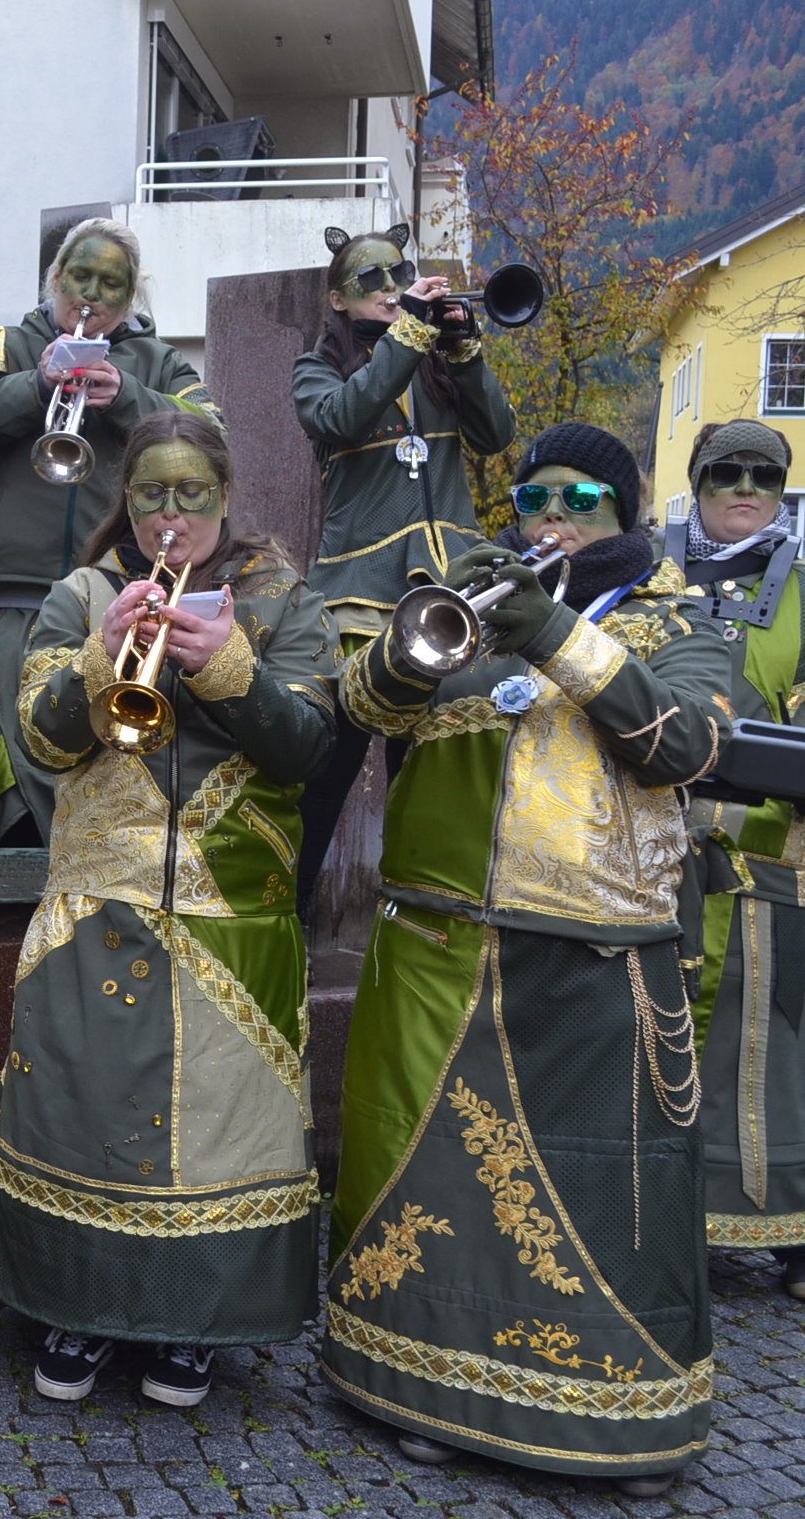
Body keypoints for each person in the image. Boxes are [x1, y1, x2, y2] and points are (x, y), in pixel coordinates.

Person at [323, 423, 728, 1494]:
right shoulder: (473, 607)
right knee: (438, 1187)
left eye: (579, 499)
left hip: (596, 952)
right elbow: (357, 711)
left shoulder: (671, 616)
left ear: (623, 514)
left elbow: (682, 745)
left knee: (602, 1195)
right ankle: (420, 1385)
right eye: (534, 497)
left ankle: (616, 1420)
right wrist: (424, 637)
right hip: (437, 940)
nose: (550, 517)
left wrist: (552, 630)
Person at [0, 412, 334, 1408]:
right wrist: (102, 653)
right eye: (150, 495)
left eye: (192, 495)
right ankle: (74, 1314)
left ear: (224, 496)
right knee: (83, 1122)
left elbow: (307, 744)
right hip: (97, 905)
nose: (171, 515)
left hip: (231, 916)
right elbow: (38, 745)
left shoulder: (282, 599)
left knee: (216, 1138)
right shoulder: (78, 594)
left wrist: (224, 666)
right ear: (123, 501)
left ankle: (191, 1330)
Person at [0, 215, 220, 846]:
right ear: (55, 277)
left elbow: (213, 439)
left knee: (93, 747)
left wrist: (127, 397)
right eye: (79, 276)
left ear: (130, 296)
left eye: (110, 284)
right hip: (0, 598)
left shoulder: (160, 362)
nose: (90, 295)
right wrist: (38, 384)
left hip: (110, 595)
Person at [291, 224, 517, 915]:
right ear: (337, 298)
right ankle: (288, 914)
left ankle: (420, 918)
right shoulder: (316, 368)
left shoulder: (434, 363)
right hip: (356, 597)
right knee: (326, 777)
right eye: (373, 281)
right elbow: (342, 417)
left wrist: (465, 350)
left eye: (400, 274)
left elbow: (498, 436)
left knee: (422, 774)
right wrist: (410, 335)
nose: (392, 289)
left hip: (445, 592)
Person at [663, 421, 805, 1290]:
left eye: (764, 474)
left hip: (777, 853)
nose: (743, 487)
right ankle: (681, 1219)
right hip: (667, 852)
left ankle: (795, 1227)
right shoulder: (654, 579)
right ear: (698, 482)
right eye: (724, 473)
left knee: (781, 1041)